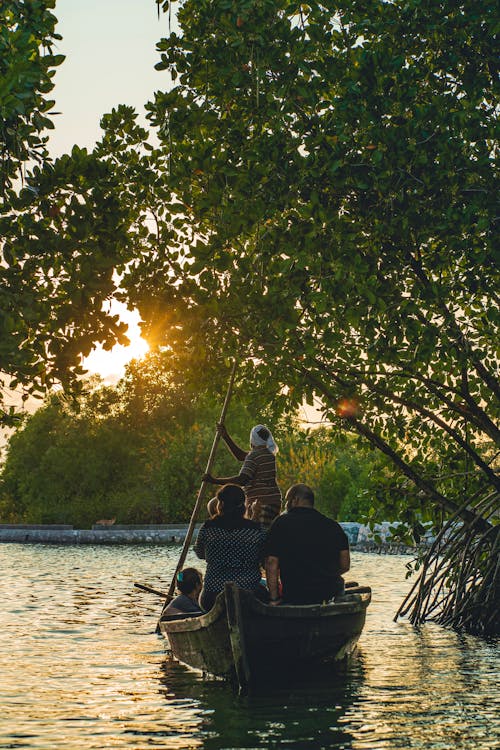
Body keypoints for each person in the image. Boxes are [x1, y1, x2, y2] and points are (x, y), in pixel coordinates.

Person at [264, 483, 350, 606]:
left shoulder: (280, 523)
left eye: (287, 501)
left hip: (294, 595)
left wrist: (274, 598)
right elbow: (345, 565)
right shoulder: (333, 526)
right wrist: (323, 574)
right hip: (329, 594)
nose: (285, 505)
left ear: (295, 500)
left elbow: (271, 562)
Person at [194, 483, 268, 611]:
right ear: (243, 506)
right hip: (250, 593)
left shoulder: (208, 528)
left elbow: (200, 553)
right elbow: (264, 559)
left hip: (212, 595)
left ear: (220, 505)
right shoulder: (256, 530)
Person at [203, 423, 282, 528]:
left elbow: (242, 480)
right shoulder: (268, 454)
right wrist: (225, 436)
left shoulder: (254, 455)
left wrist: (214, 480)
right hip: (273, 500)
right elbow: (240, 456)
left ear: (252, 440)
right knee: (213, 504)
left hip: (261, 504)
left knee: (259, 534)